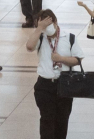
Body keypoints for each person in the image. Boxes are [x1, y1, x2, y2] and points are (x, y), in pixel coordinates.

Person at [26, 9, 84, 139]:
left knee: (62, 121)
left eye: (48, 24)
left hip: (64, 85)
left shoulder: (69, 37)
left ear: (55, 22)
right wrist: (39, 28)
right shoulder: (40, 37)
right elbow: (29, 47)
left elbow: (78, 59)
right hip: (45, 86)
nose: (47, 29)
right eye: (43, 26)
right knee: (47, 120)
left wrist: (61, 59)